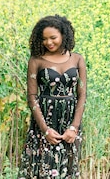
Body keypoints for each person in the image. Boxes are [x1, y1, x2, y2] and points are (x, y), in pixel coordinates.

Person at [18, 14, 87, 179]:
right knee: (43, 166)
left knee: (68, 168)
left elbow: (82, 94)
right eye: (44, 39)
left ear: (64, 35)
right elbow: (32, 97)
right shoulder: (36, 60)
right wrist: (45, 130)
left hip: (70, 120)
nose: (48, 42)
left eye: (53, 38)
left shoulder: (77, 59)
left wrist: (74, 127)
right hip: (45, 120)